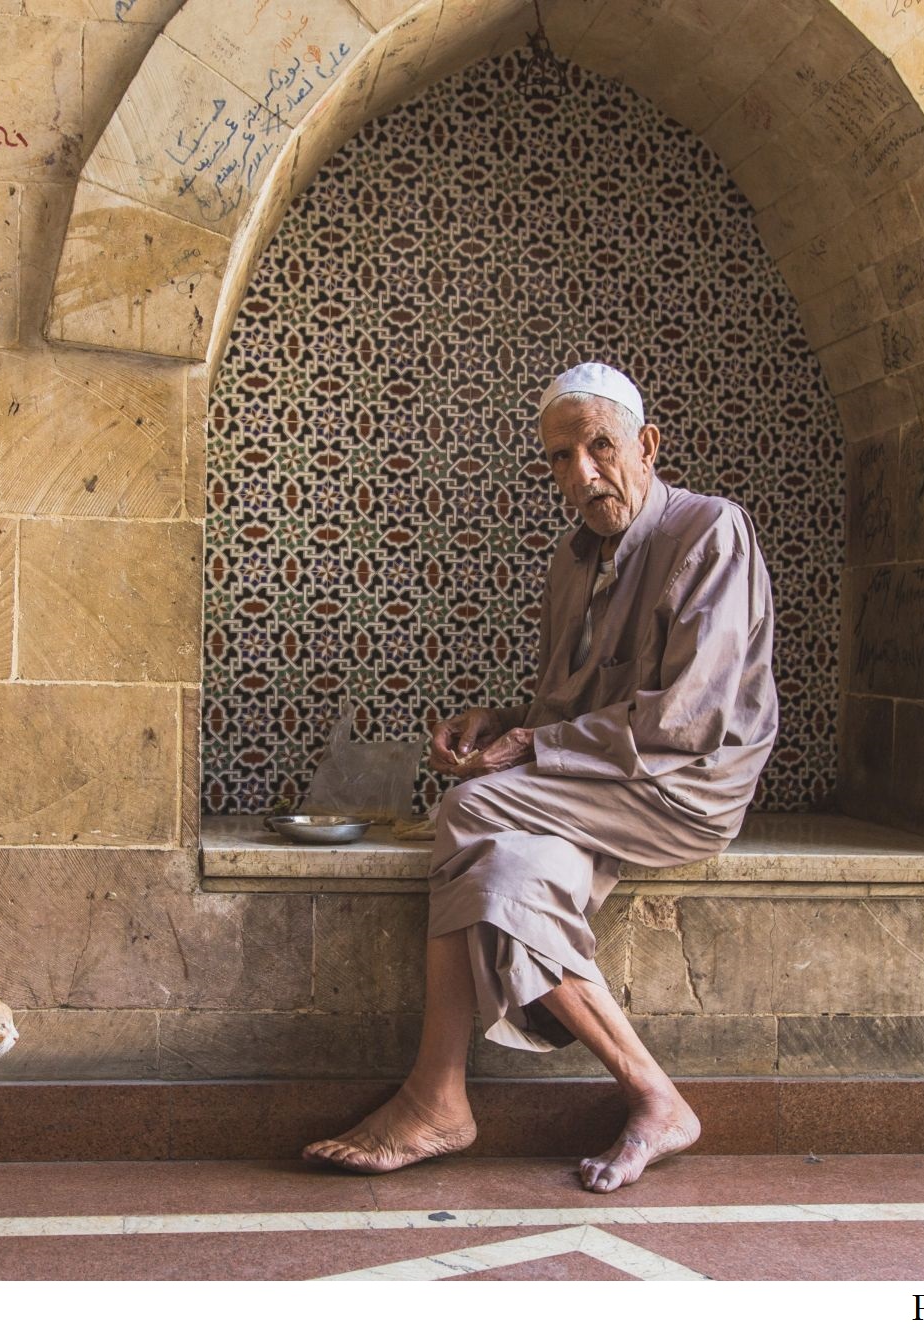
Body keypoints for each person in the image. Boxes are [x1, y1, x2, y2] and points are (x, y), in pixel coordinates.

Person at [303, 362, 779, 1192]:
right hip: (601, 784)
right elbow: (564, 705)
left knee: (471, 804)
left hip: (685, 785)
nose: (583, 473)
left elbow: (686, 720)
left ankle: (436, 1090)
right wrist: (503, 717)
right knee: (509, 870)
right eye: (562, 458)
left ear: (648, 444)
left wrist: (527, 746)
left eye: (601, 447)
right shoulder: (574, 560)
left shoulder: (711, 532)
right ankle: (654, 1097)